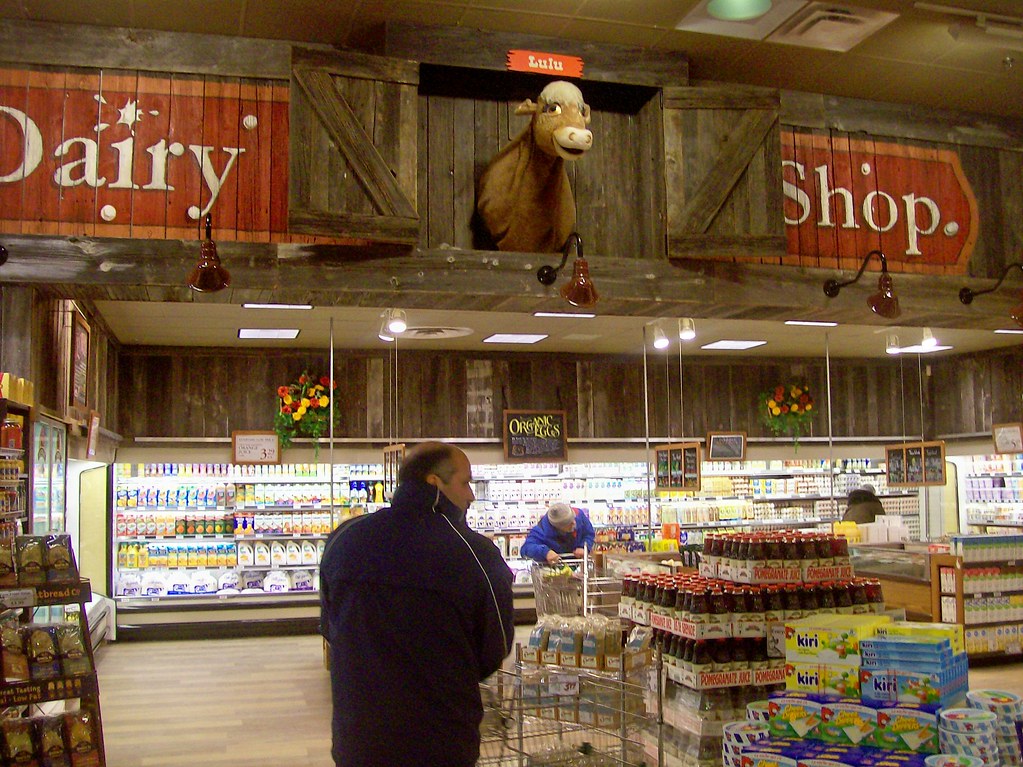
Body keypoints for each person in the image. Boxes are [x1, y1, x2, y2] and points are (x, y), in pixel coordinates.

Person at [319, 441, 514, 767]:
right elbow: (494, 650)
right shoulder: (476, 555)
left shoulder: (343, 539)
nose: (471, 495)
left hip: (357, 737)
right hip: (440, 739)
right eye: (465, 482)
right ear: (434, 483)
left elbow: (331, 629)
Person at [520, 502, 596, 564]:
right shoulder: (541, 531)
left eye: (573, 518)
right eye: (569, 523)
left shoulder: (578, 514)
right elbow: (525, 549)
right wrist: (545, 552)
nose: (574, 522)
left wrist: (583, 546)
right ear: (559, 527)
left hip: (577, 566)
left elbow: (589, 533)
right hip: (554, 571)